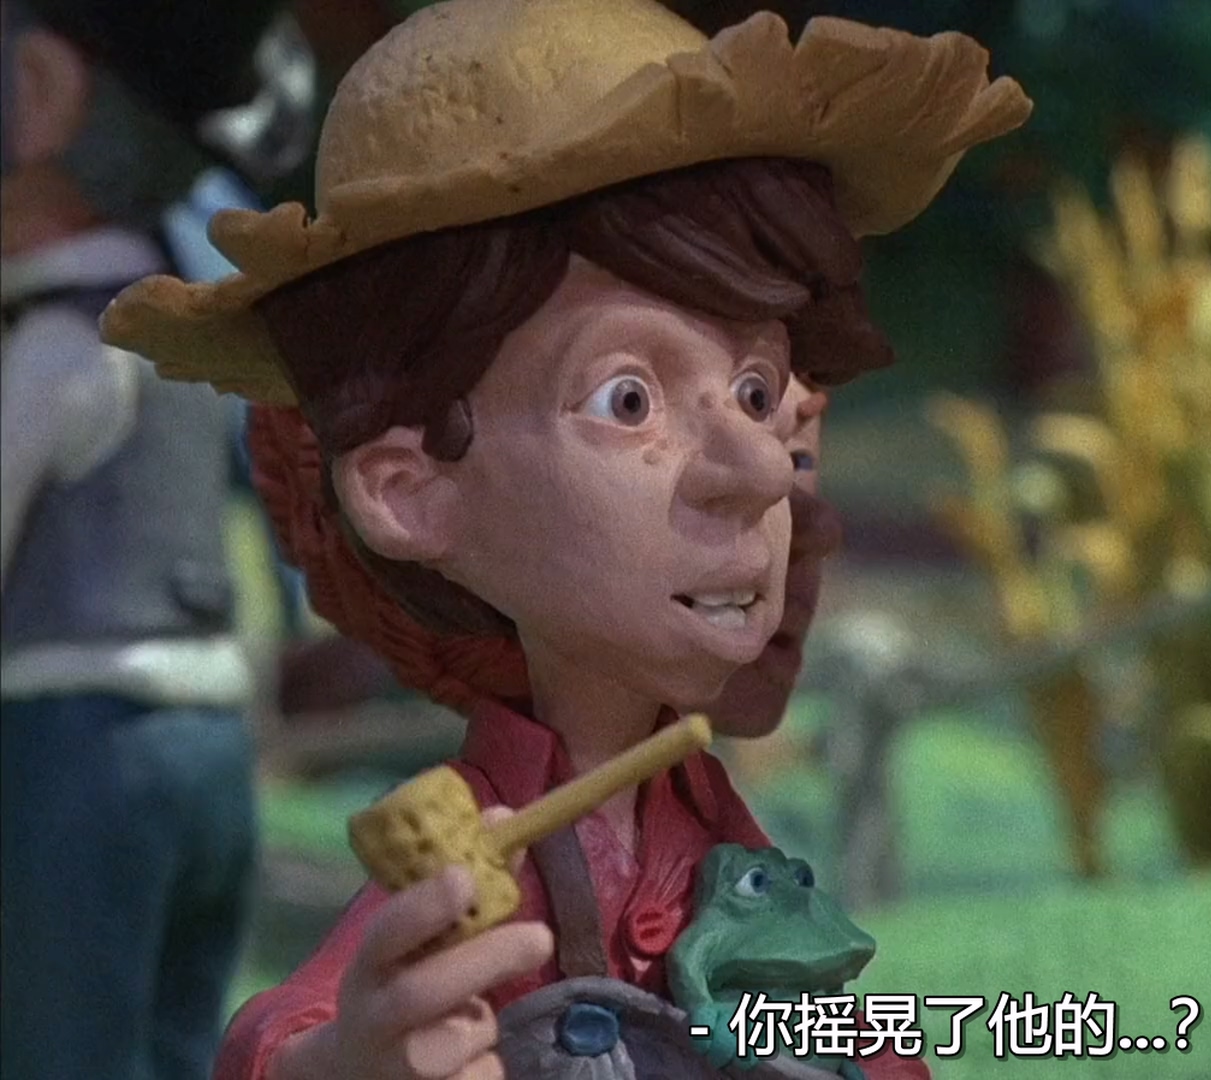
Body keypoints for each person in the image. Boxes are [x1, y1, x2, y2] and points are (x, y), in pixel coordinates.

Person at [102, 1, 1030, 1078]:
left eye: (756, 390)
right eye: (629, 400)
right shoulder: (486, 841)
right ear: (409, 491)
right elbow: (292, 1036)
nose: (758, 468)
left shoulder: (707, 822)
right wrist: (343, 1062)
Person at [0, 2, 315, 1079]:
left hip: (80, 744)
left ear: (38, 93)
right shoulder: (190, 349)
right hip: (213, 742)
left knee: (62, 1046)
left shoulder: (58, 348)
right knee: (179, 1040)